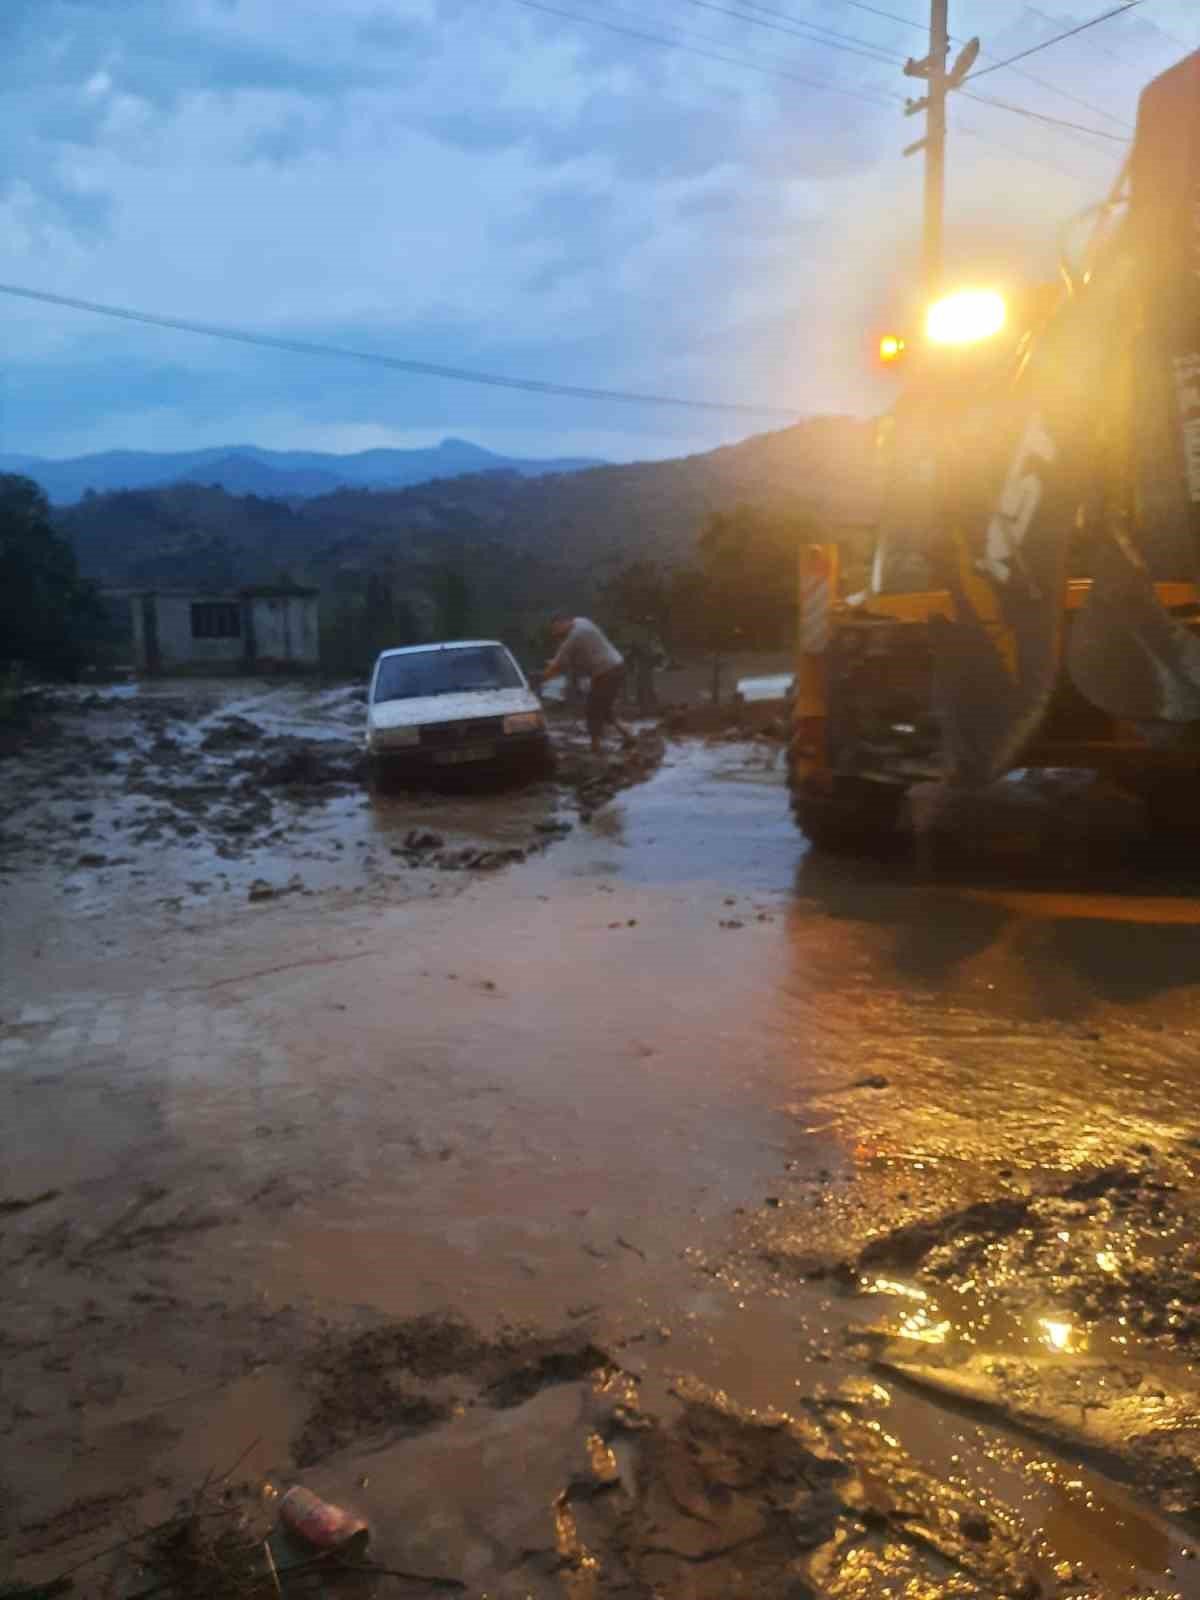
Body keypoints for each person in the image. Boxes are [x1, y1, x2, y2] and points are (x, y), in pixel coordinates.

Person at [544, 615, 634, 753]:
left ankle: (595, 746)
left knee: (593, 709)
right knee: (603, 708)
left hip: (609, 672)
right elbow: (569, 658)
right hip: (612, 668)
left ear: (564, 622)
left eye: (557, 629)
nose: (557, 633)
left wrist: (541, 678)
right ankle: (628, 735)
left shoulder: (575, 636)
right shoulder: (582, 621)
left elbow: (557, 664)